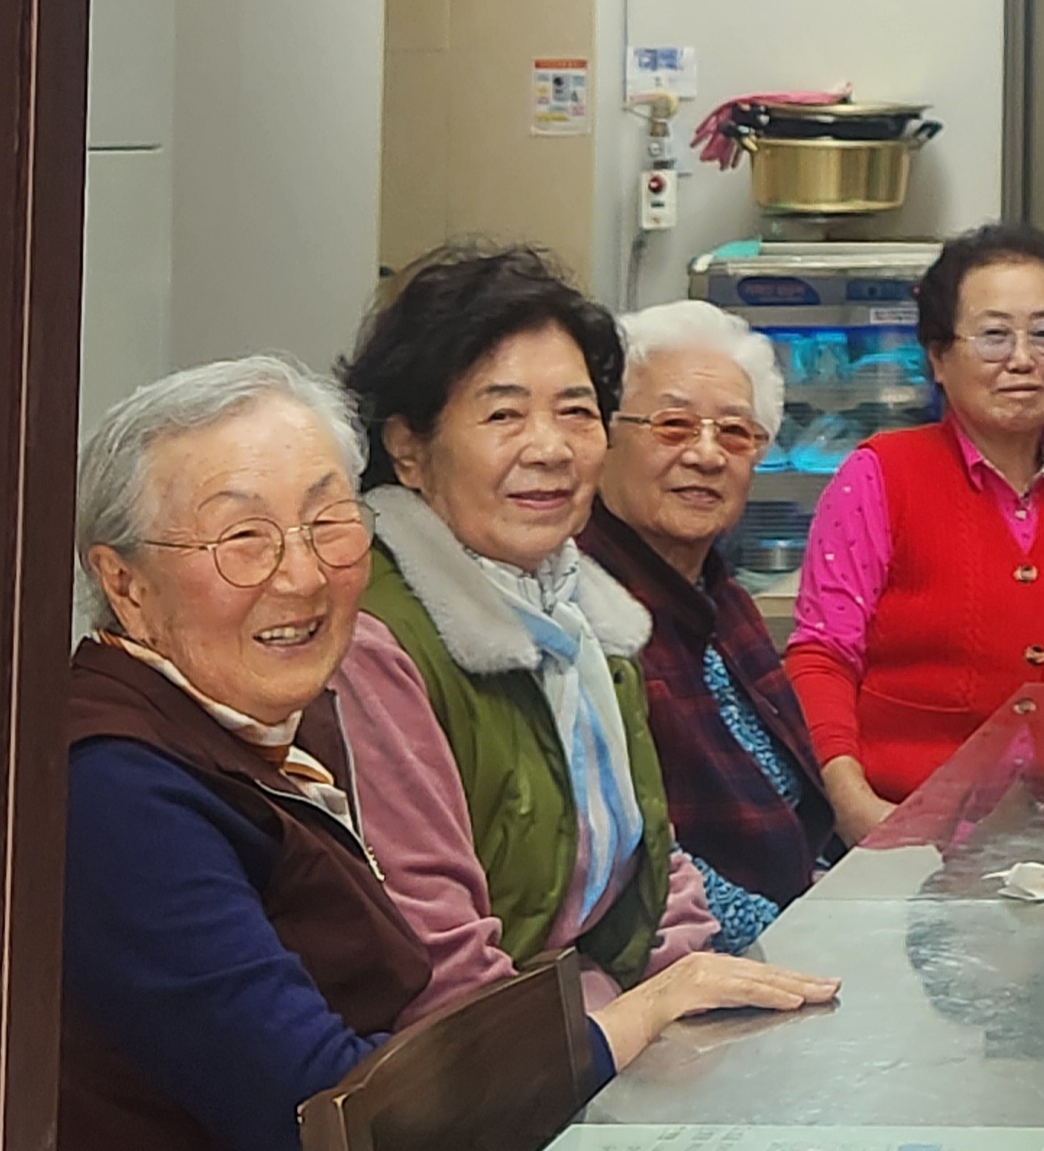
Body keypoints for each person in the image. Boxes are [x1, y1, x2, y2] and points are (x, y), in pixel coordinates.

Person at [334, 244, 837, 1043]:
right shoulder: (375, 642)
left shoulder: (579, 609)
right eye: (503, 415)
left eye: (575, 412)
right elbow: (444, 978)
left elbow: (654, 869)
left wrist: (704, 997)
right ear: (408, 449)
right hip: (489, 1065)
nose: (550, 448)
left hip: (597, 1028)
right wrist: (636, 1023)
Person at [59, 359, 439, 1150]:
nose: (302, 576)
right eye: (243, 539)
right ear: (124, 585)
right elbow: (317, 1109)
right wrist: (605, 1038)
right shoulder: (111, 788)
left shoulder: (271, 714)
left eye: (328, 523)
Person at [788, 222, 1044, 842]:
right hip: (909, 839)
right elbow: (822, 655)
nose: (1022, 360)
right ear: (939, 357)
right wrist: (855, 807)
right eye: (993, 336)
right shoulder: (878, 477)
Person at [581, 300, 836, 952]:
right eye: (673, 426)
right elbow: (637, 860)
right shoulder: (585, 611)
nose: (706, 454)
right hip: (696, 961)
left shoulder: (723, 600)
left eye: (735, 433)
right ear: (603, 439)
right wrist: (794, 944)